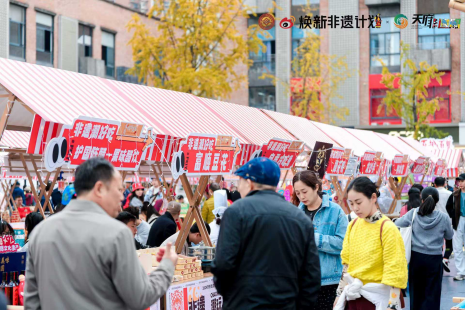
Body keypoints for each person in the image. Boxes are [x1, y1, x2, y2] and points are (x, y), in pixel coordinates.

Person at [24, 158, 177, 310]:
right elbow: (141, 296)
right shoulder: (117, 233)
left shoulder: (41, 232)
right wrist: (167, 266)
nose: (122, 197)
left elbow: (31, 302)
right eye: (119, 190)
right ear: (99, 189)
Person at [212, 157, 321, 310]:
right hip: (286, 304)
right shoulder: (300, 218)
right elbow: (311, 275)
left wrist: (233, 298)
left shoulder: (236, 212)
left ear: (249, 182)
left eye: (239, 181)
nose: (238, 187)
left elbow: (223, 265)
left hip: (243, 304)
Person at [334, 177, 407, 310]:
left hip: (378, 299)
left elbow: (395, 269)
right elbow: (347, 264)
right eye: (351, 203)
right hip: (354, 296)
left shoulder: (387, 228)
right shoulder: (353, 225)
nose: (355, 208)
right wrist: (339, 295)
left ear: (373, 197)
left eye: (358, 202)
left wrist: (392, 305)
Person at [292, 170, 348, 310]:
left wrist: (313, 238)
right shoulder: (295, 214)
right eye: (298, 193)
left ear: (316, 187)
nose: (301, 196)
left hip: (329, 282)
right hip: (302, 282)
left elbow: (344, 245)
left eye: (304, 191)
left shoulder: (336, 211)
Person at [396, 187, 454, 310]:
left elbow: (398, 223)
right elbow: (449, 235)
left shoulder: (414, 213)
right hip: (435, 259)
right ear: (436, 201)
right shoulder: (443, 217)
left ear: (421, 199)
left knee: (416, 292)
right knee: (433, 293)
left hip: (416, 258)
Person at [447, 173, 465, 281]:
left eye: (462, 181)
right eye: (459, 181)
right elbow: (448, 207)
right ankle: (461, 272)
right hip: (458, 221)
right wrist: (453, 215)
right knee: (457, 247)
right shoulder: (455, 194)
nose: (460, 183)